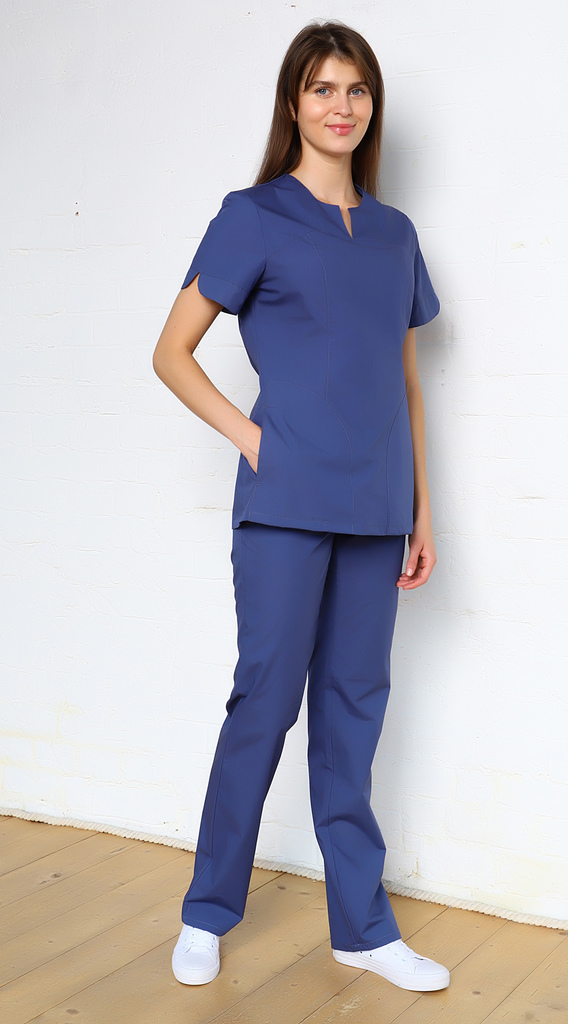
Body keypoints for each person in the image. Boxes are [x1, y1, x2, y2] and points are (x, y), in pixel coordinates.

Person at [153, 19, 450, 994]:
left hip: (378, 507)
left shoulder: (396, 235)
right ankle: (207, 911)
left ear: (371, 105)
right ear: (294, 102)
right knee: (265, 701)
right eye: (323, 88)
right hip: (285, 504)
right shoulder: (253, 216)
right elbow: (171, 352)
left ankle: (361, 928)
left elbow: (406, 383)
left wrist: (423, 509)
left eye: (356, 89)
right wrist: (252, 439)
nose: (341, 106)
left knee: (355, 712)